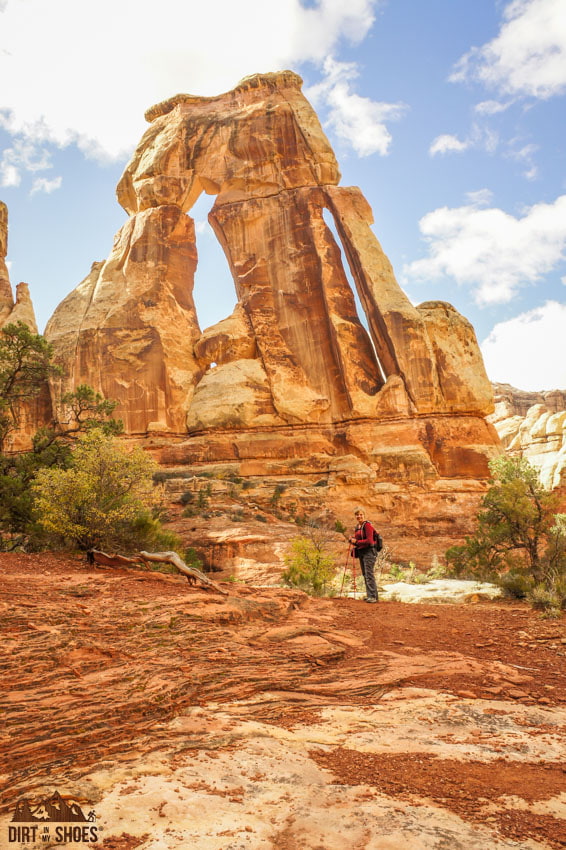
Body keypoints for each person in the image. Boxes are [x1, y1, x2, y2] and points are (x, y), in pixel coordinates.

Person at [349, 507, 378, 603]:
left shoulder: (367, 526)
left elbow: (369, 541)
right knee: (365, 574)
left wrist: (356, 541)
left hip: (369, 552)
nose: (359, 516)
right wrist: (352, 540)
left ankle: (373, 597)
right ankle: (371, 595)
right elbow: (359, 540)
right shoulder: (357, 527)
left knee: (369, 574)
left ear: (364, 515)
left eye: (361, 514)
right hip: (361, 552)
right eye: (357, 515)